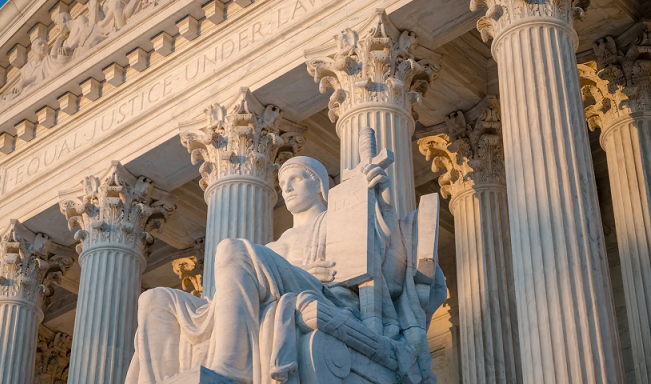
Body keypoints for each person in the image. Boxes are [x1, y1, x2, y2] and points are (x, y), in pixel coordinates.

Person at [125, 156, 446, 384]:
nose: (287, 188)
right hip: (286, 289)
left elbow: (385, 265)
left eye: (296, 179)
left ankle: (229, 367)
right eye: (282, 183)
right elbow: (232, 293)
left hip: (326, 296)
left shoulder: (336, 221)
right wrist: (304, 267)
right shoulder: (277, 245)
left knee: (231, 249)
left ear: (319, 183)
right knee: (155, 300)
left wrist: (376, 200)